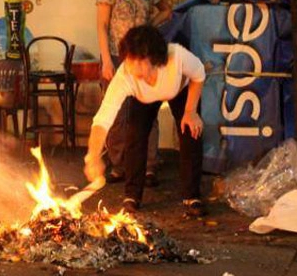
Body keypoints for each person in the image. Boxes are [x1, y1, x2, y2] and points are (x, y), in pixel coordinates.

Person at [84, 25, 206, 217]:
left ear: (155, 59)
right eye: (130, 61)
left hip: (180, 90)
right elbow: (103, 117)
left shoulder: (177, 56)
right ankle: (132, 195)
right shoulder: (125, 75)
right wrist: (92, 155)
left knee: (191, 131)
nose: (135, 67)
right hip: (143, 99)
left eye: (141, 61)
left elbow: (199, 74)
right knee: (135, 136)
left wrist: (191, 111)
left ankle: (192, 195)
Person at [95, 0, 172, 186]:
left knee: (148, 112)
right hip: (118, 58)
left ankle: (148, 166)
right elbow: (102, 26)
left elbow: (168, 11)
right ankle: (119, 165)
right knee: (119, 112)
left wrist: (151, 26)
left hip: (144, 60)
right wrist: (107, 61)